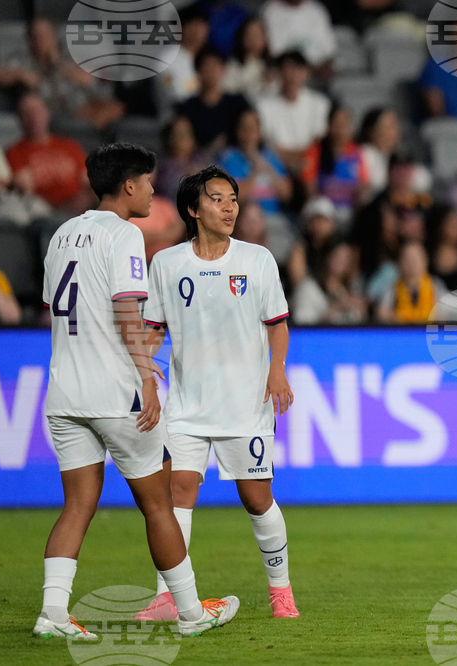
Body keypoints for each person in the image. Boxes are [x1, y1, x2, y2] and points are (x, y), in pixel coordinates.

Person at [36, 143, 238, 639]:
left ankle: (52, 615)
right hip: (116, 393)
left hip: (64, 392)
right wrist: (147, 378)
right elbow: (129, 311)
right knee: (158, 503)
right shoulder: (124, 233)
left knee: (77, 504)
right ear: (128, 185)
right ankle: (190, 613)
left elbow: (53, 307)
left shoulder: (62, 233)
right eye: (147, 181)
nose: (152, 189)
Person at [135, 165, 299, 621]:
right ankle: (167, 597)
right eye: (217, 199)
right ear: (193, 208)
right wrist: (139, 370)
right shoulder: (166, 263)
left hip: (245, 404)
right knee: (177, 493)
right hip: (187, 404)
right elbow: (152, 330)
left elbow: (277, 324)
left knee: (256, 498)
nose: (229, 208)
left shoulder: (257, 259)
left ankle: (280, 590)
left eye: (233, 199)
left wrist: (277, 371)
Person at [6, 93, 90, 215]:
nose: (33, 118)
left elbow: (87, 182)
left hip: (78, 207)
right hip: (43, 211)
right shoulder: (14, 152)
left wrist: (84, 199)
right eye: (27, 113)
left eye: (37, 112)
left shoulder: (70, 146)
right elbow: (26, 190)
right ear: (19, 119)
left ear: (47, 112)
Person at [256, 51, 332, 173]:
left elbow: (319, 139)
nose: (290, 75)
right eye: (285, 69)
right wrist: (288, 160)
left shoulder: (321, 103)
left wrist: (302, 159)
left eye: (296, 69)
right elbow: (267, 142)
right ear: (278, 73)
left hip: (311, 164)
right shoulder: (263, 105)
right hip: (275, 165)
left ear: (306, 73)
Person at [176, 46, 251, 151]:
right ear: (197, 71)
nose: (211, 72)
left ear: (223, 70)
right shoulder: (188, 107)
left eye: (215, 66)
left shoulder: (238, 102)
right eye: (207, 67)